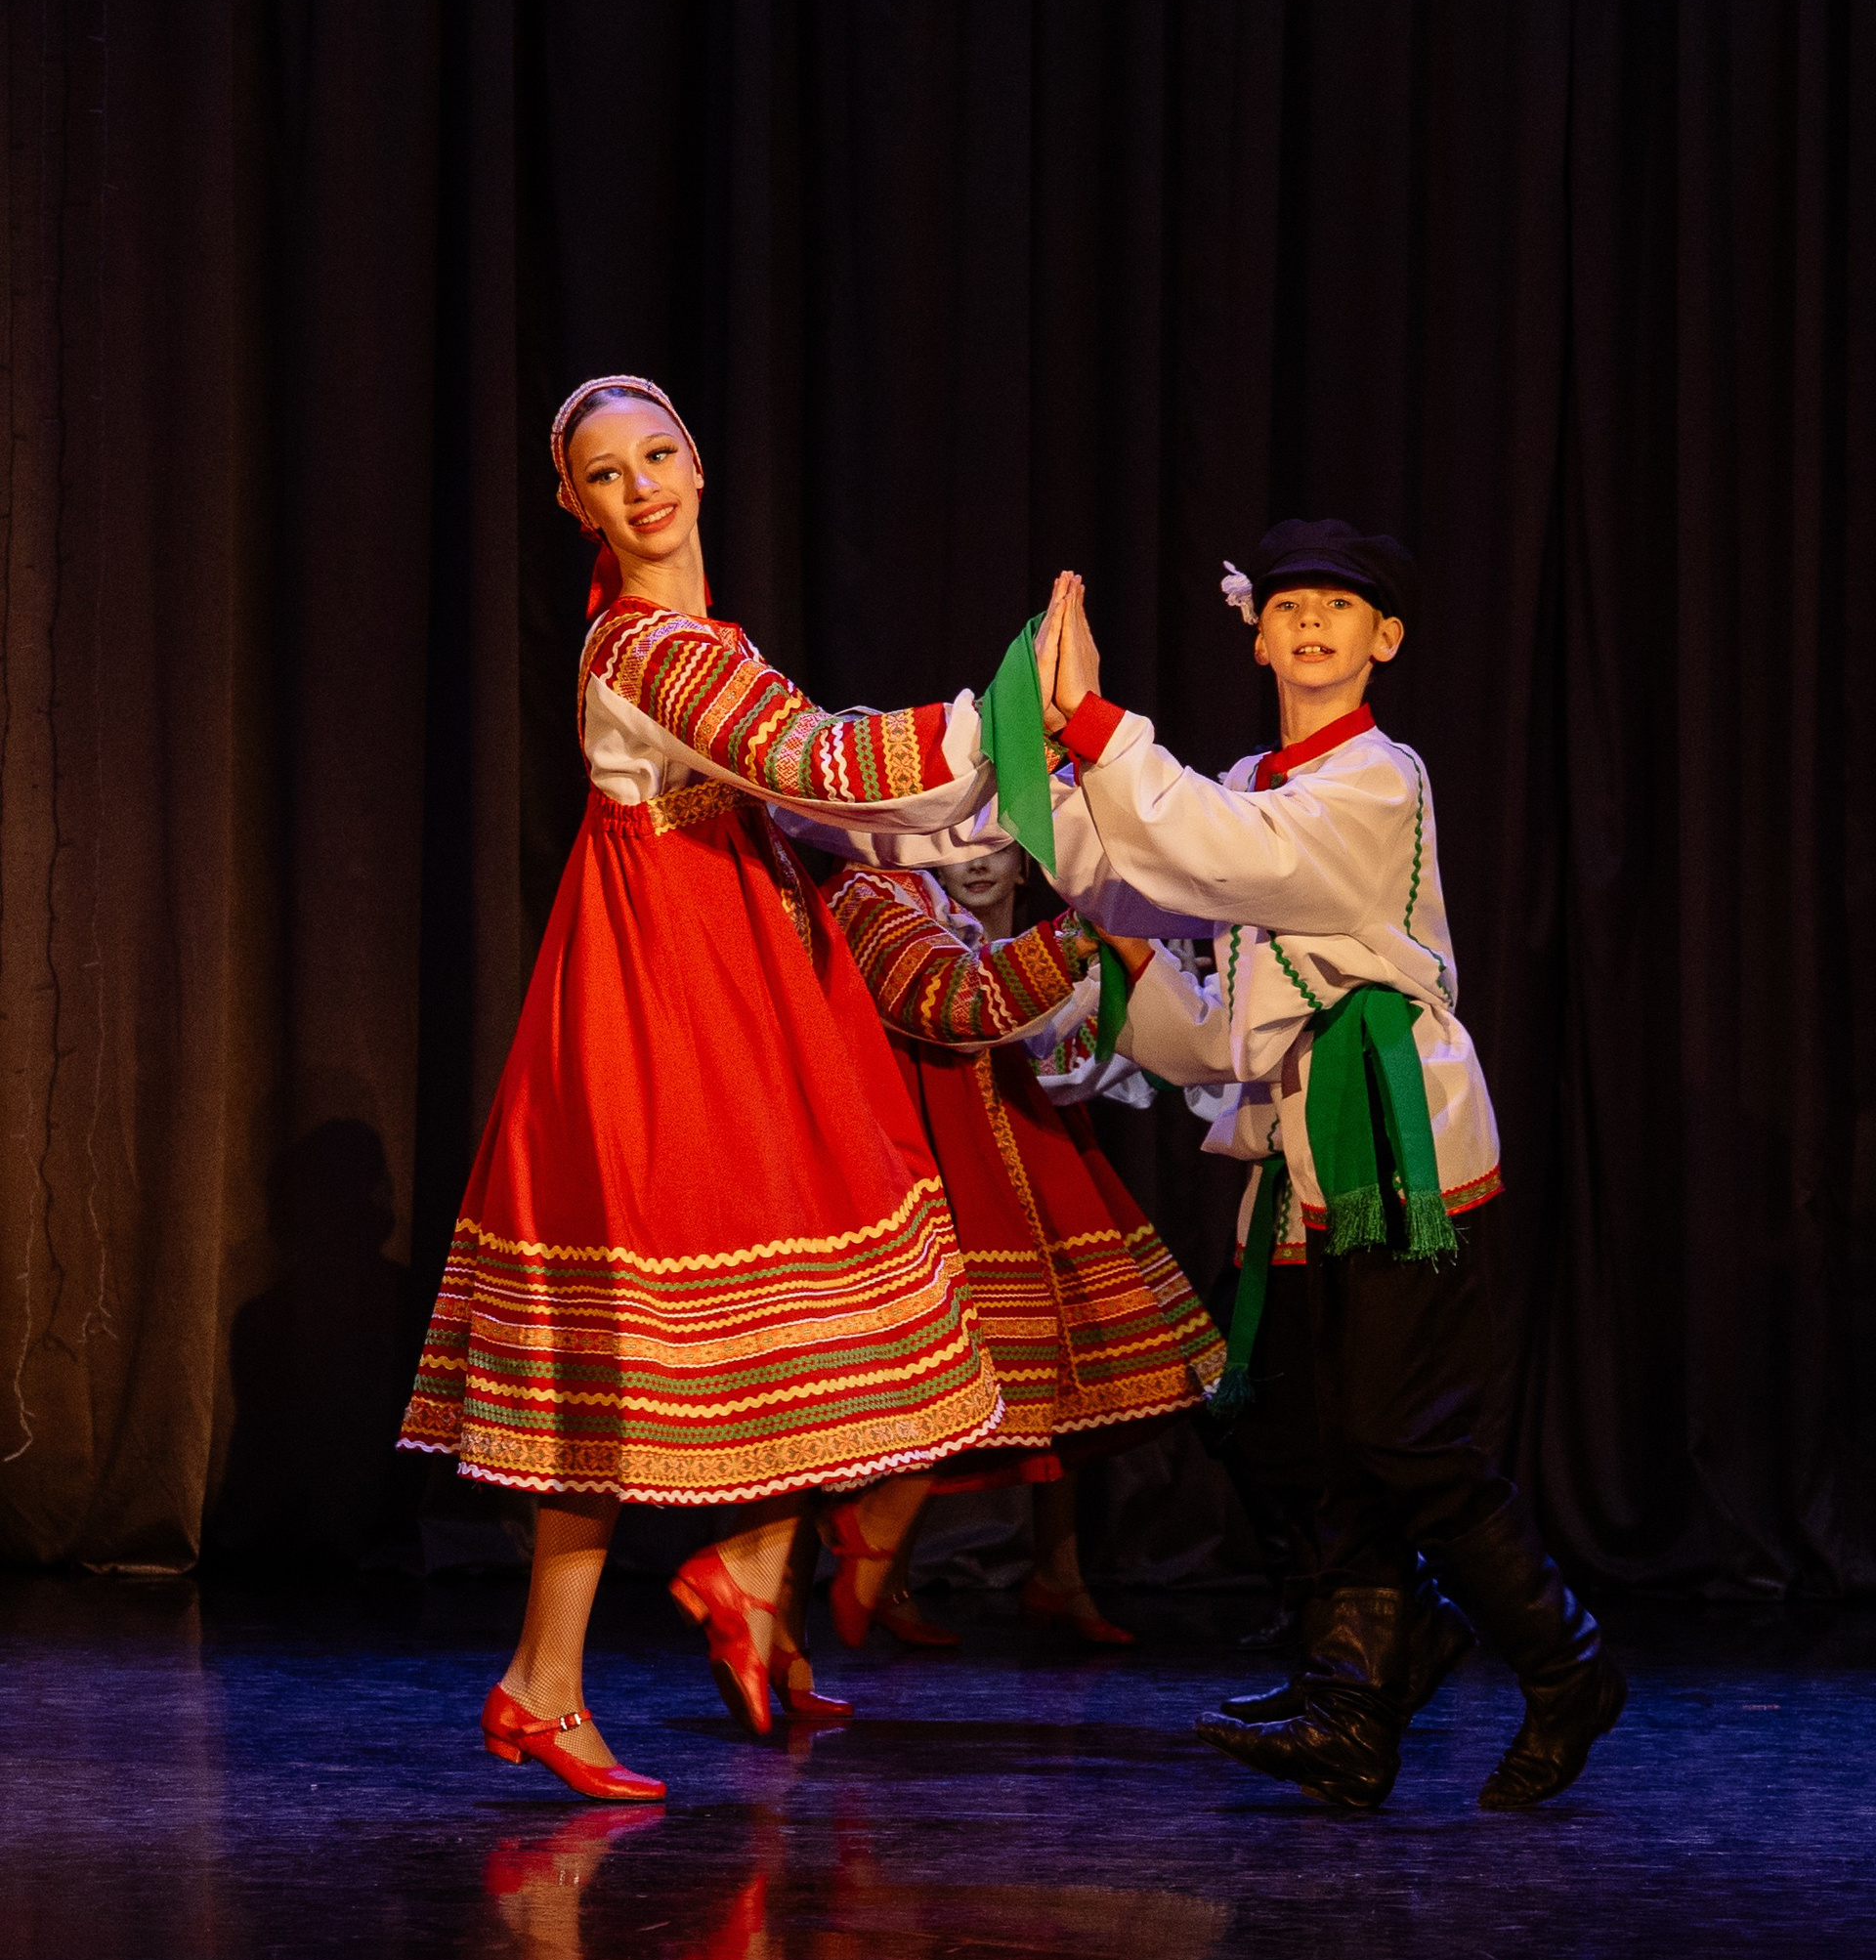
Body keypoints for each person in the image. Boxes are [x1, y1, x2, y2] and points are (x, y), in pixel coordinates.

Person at [401, 375, 1018, 1798]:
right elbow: (812, 758)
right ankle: (580, 1659)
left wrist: (981, 799)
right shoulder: (648, 651)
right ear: (575, 506)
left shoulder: (707, 645)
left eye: (659, 455)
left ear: (698, 463)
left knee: (777, 1310)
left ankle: (700, 1602)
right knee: (640, 1338)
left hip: (730, 985)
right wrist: (1003, 719)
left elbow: (820, 789)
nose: (644, 487)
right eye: (608, 473)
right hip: (663, 1006)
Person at [1032, 524, 1625, 1812]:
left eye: (1339, 606)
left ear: (1384, 639)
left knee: (1402, 1434)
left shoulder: (1374, 782)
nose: (1309, 622)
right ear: (1255, 635)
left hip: (1396, 1145)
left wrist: (1097, 728)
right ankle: (1355, 1692)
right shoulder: (1252, 785)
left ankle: (1564, 1660)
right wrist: (1059, 782)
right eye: (1287, 603)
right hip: (1303, 1152)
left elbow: (1221, 849)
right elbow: (1201, 987)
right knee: (1286, 1428)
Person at [818, 845, 1222, 1647]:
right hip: (948, 1151)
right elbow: (954, 1006)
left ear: (1024, 864)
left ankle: (1053, 1571)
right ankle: (876, 1559)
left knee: (1060, 1367)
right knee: (960, 1355)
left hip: (1027, 1140)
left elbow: (1070, 1059)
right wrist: (1086, 946)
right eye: (957, 847)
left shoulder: (960, 925)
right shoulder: (887, 903)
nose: (974, 863)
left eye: (994, 847)